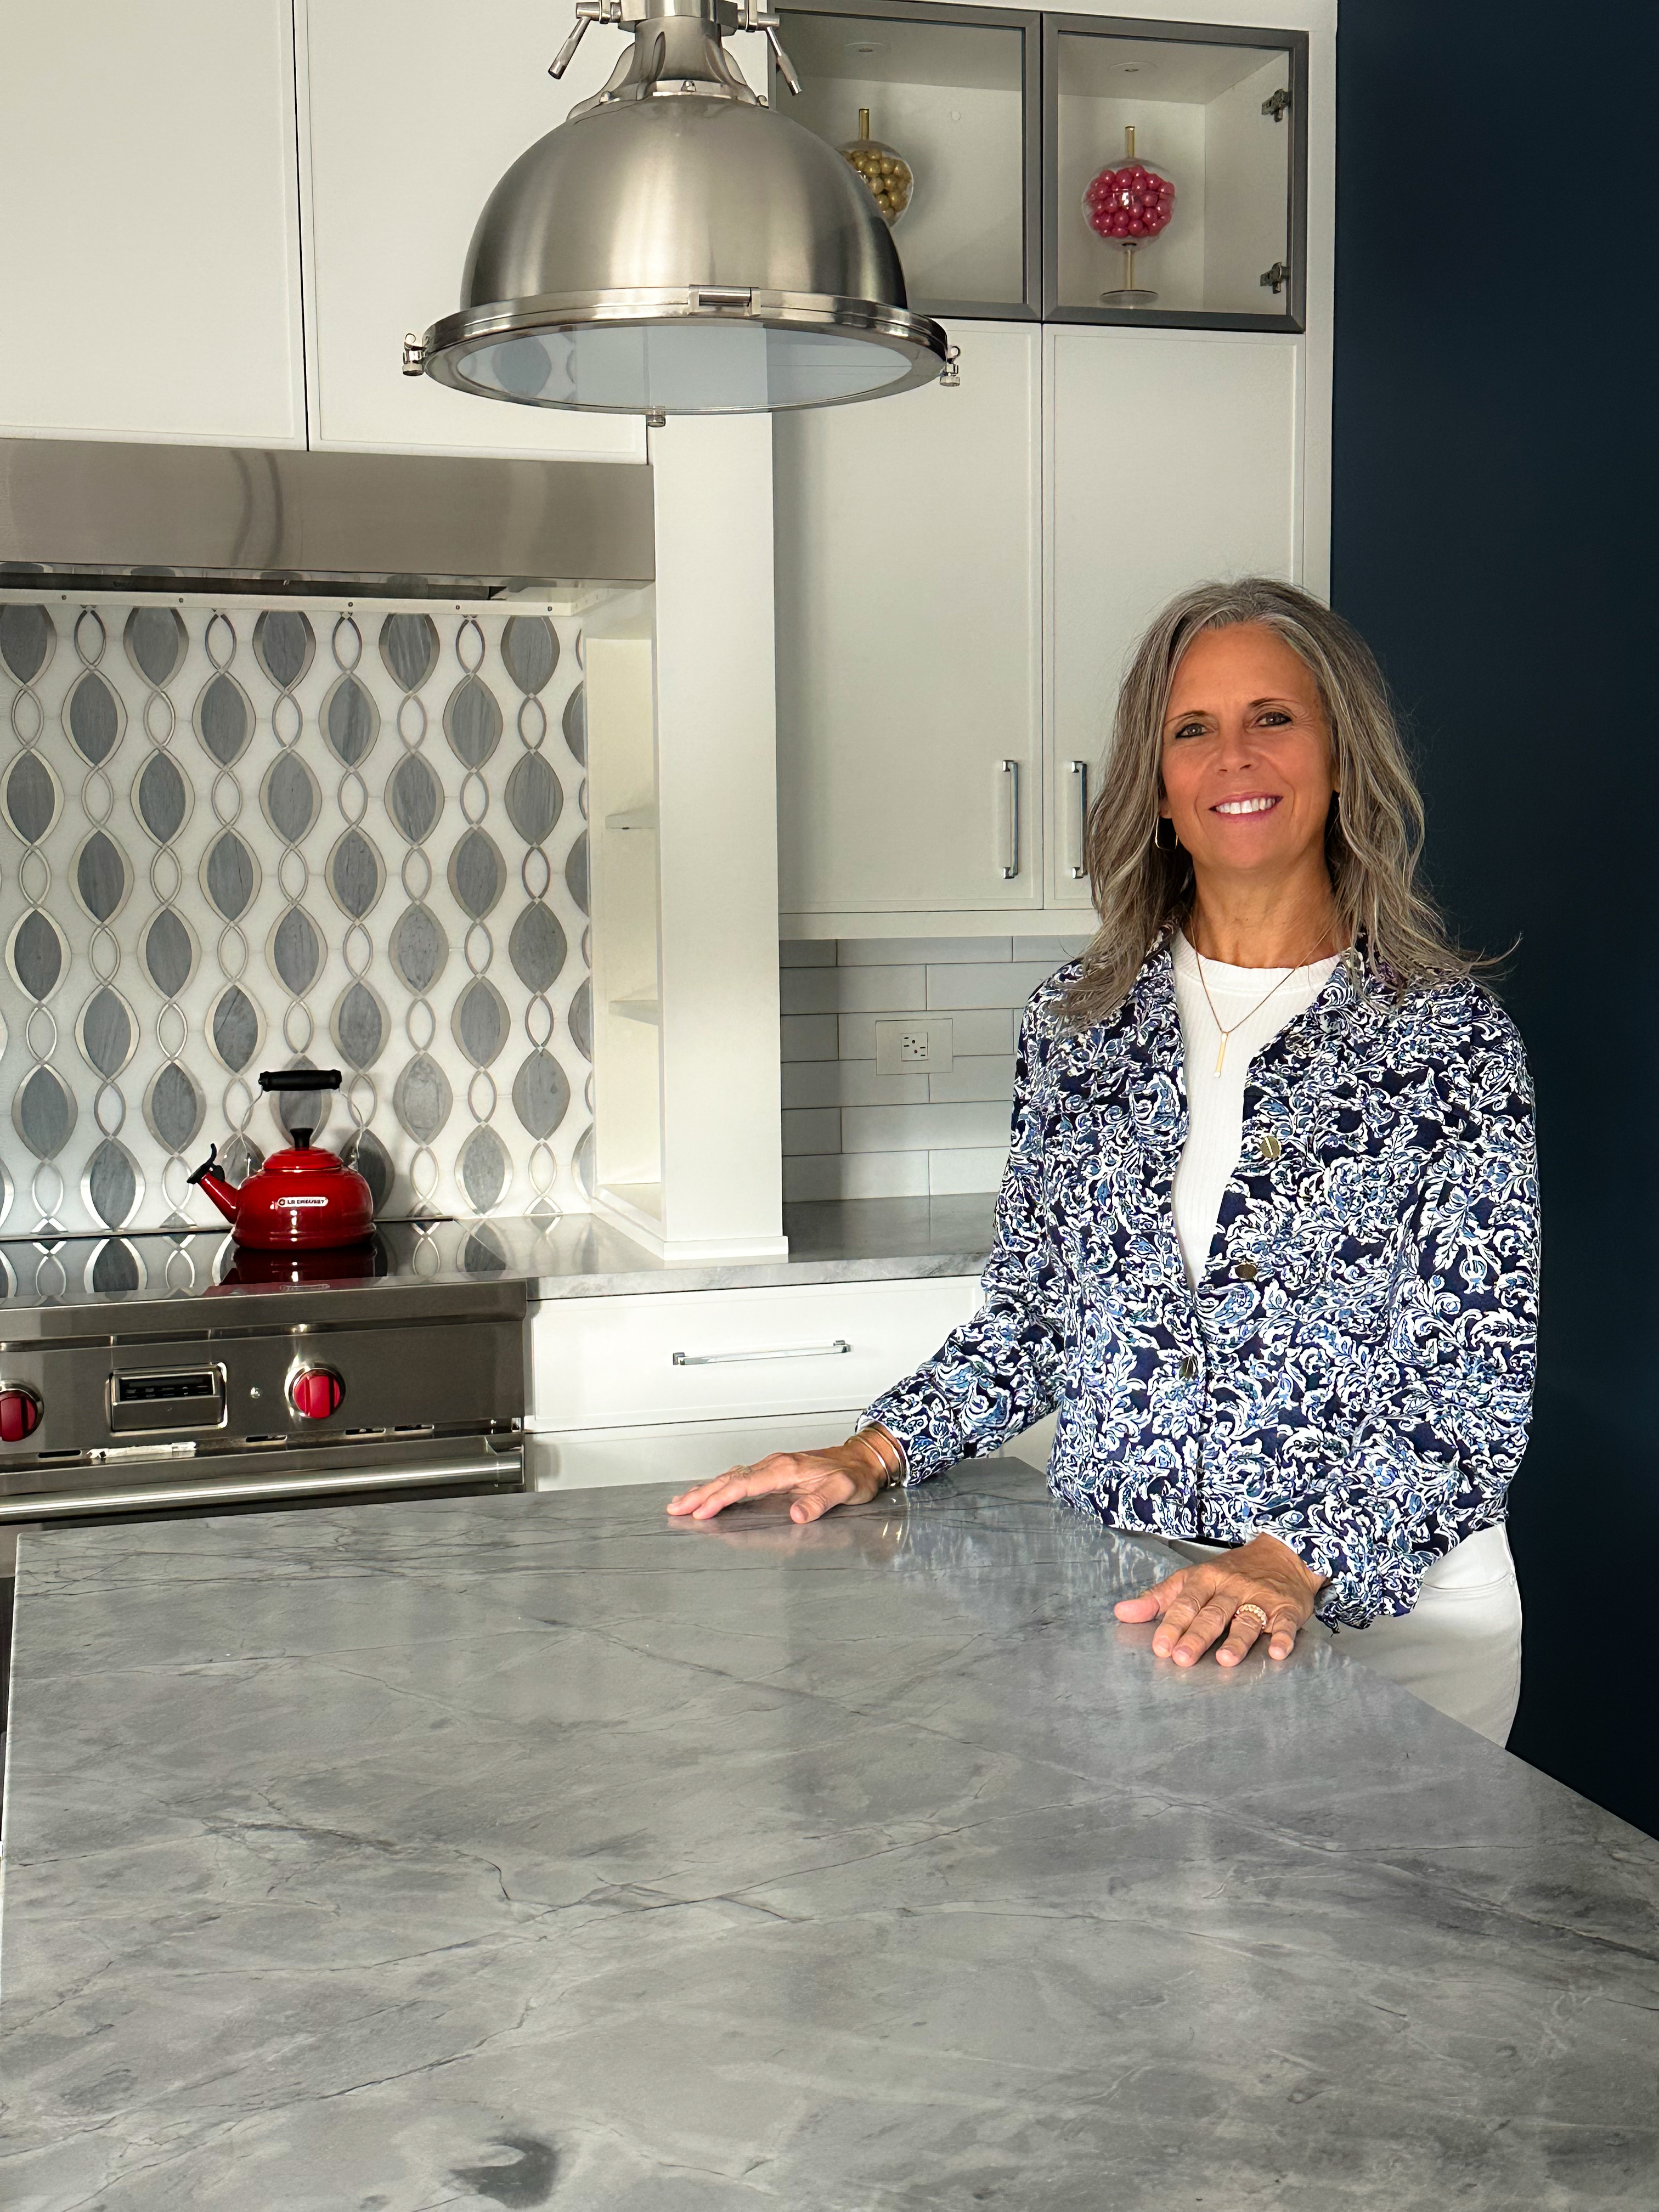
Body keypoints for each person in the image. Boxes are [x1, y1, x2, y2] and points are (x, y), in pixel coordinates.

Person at [668, 578, 1539, 1746]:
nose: (1235, 755)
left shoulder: (1446, 1043)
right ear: (1160, 788)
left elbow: (1468, 1391)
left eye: (1274, 718)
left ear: (1342, 761)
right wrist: (871, 1451)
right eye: (1193, 730)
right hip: (1140, 1602)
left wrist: (1289, 1564)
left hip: (1395, 1628)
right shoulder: (1078, 1026)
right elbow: (1035, 1316)